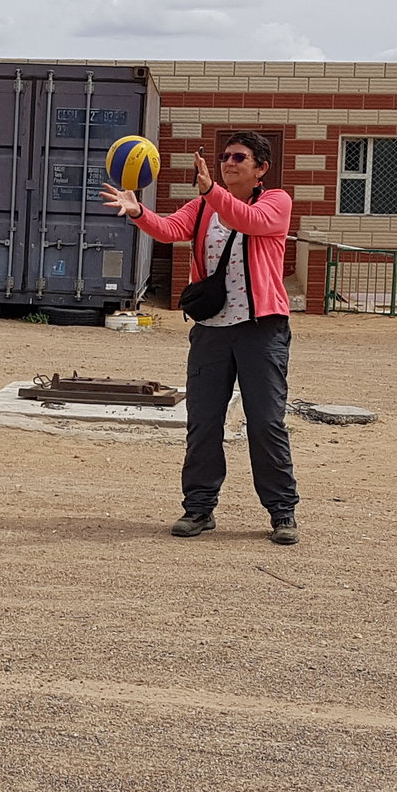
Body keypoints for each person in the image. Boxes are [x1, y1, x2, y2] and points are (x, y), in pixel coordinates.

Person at [101, 130, 301, 543]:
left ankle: (282, 512)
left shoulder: (275, 202)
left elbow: (249, 221)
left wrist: (211, 190)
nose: (228, 162)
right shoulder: (203, 206)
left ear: (260, 168)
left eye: (239, 157)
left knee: (266, 424)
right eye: (225, 156)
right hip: (211, 331)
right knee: (203, 423)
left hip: (261, 330)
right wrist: (138, 211)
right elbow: (169, 228)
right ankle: (199, 510)